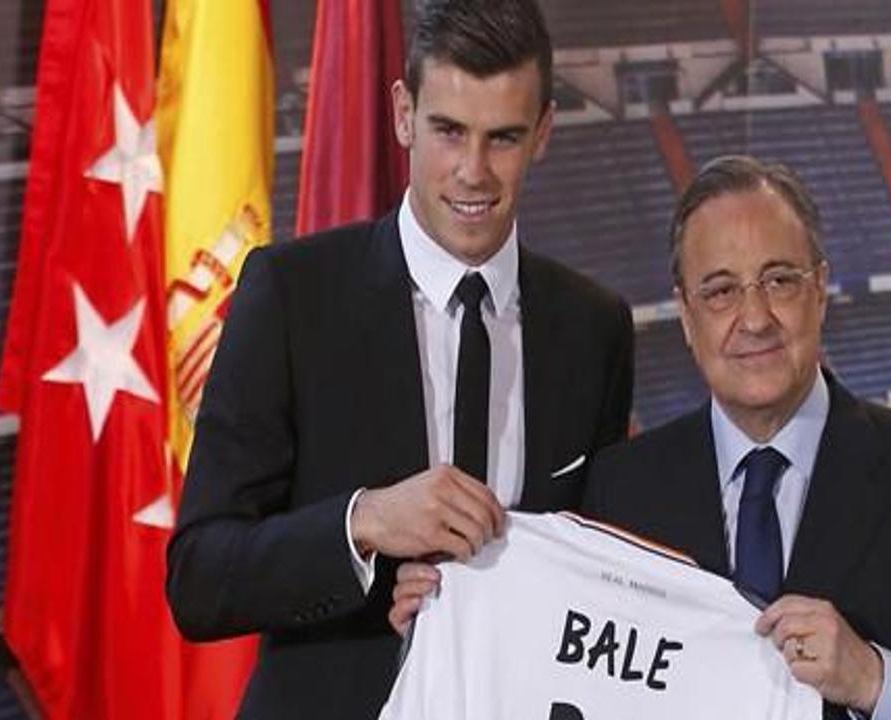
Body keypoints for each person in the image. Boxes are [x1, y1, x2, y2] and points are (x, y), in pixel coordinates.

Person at [392, 156, 891, 719]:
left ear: (820, 290)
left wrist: (873, 678)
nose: (754, 318)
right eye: (721, 291)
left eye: (779, 281)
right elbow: (555, 665)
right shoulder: (623, 487)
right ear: (686, 315)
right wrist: (458, 609)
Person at [165, 0, 634, 716]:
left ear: (543, 132)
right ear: (403, 114)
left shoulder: (594, 328)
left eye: (503, 138)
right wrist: (364, 525)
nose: (473, 172)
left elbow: (595, 575)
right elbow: (199, 579)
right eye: (449, 131)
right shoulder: (292, 295)